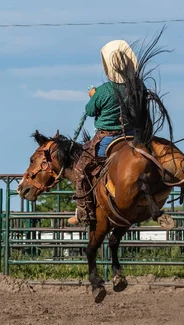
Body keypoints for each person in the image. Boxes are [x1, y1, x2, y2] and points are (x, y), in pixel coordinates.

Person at [67, 40, 138, 225]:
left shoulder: (104, 90)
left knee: (80, 169)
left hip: (107, 139)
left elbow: (90, 111)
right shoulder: (138, 87)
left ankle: (84, 212)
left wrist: (93, 95)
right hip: (132, 137)